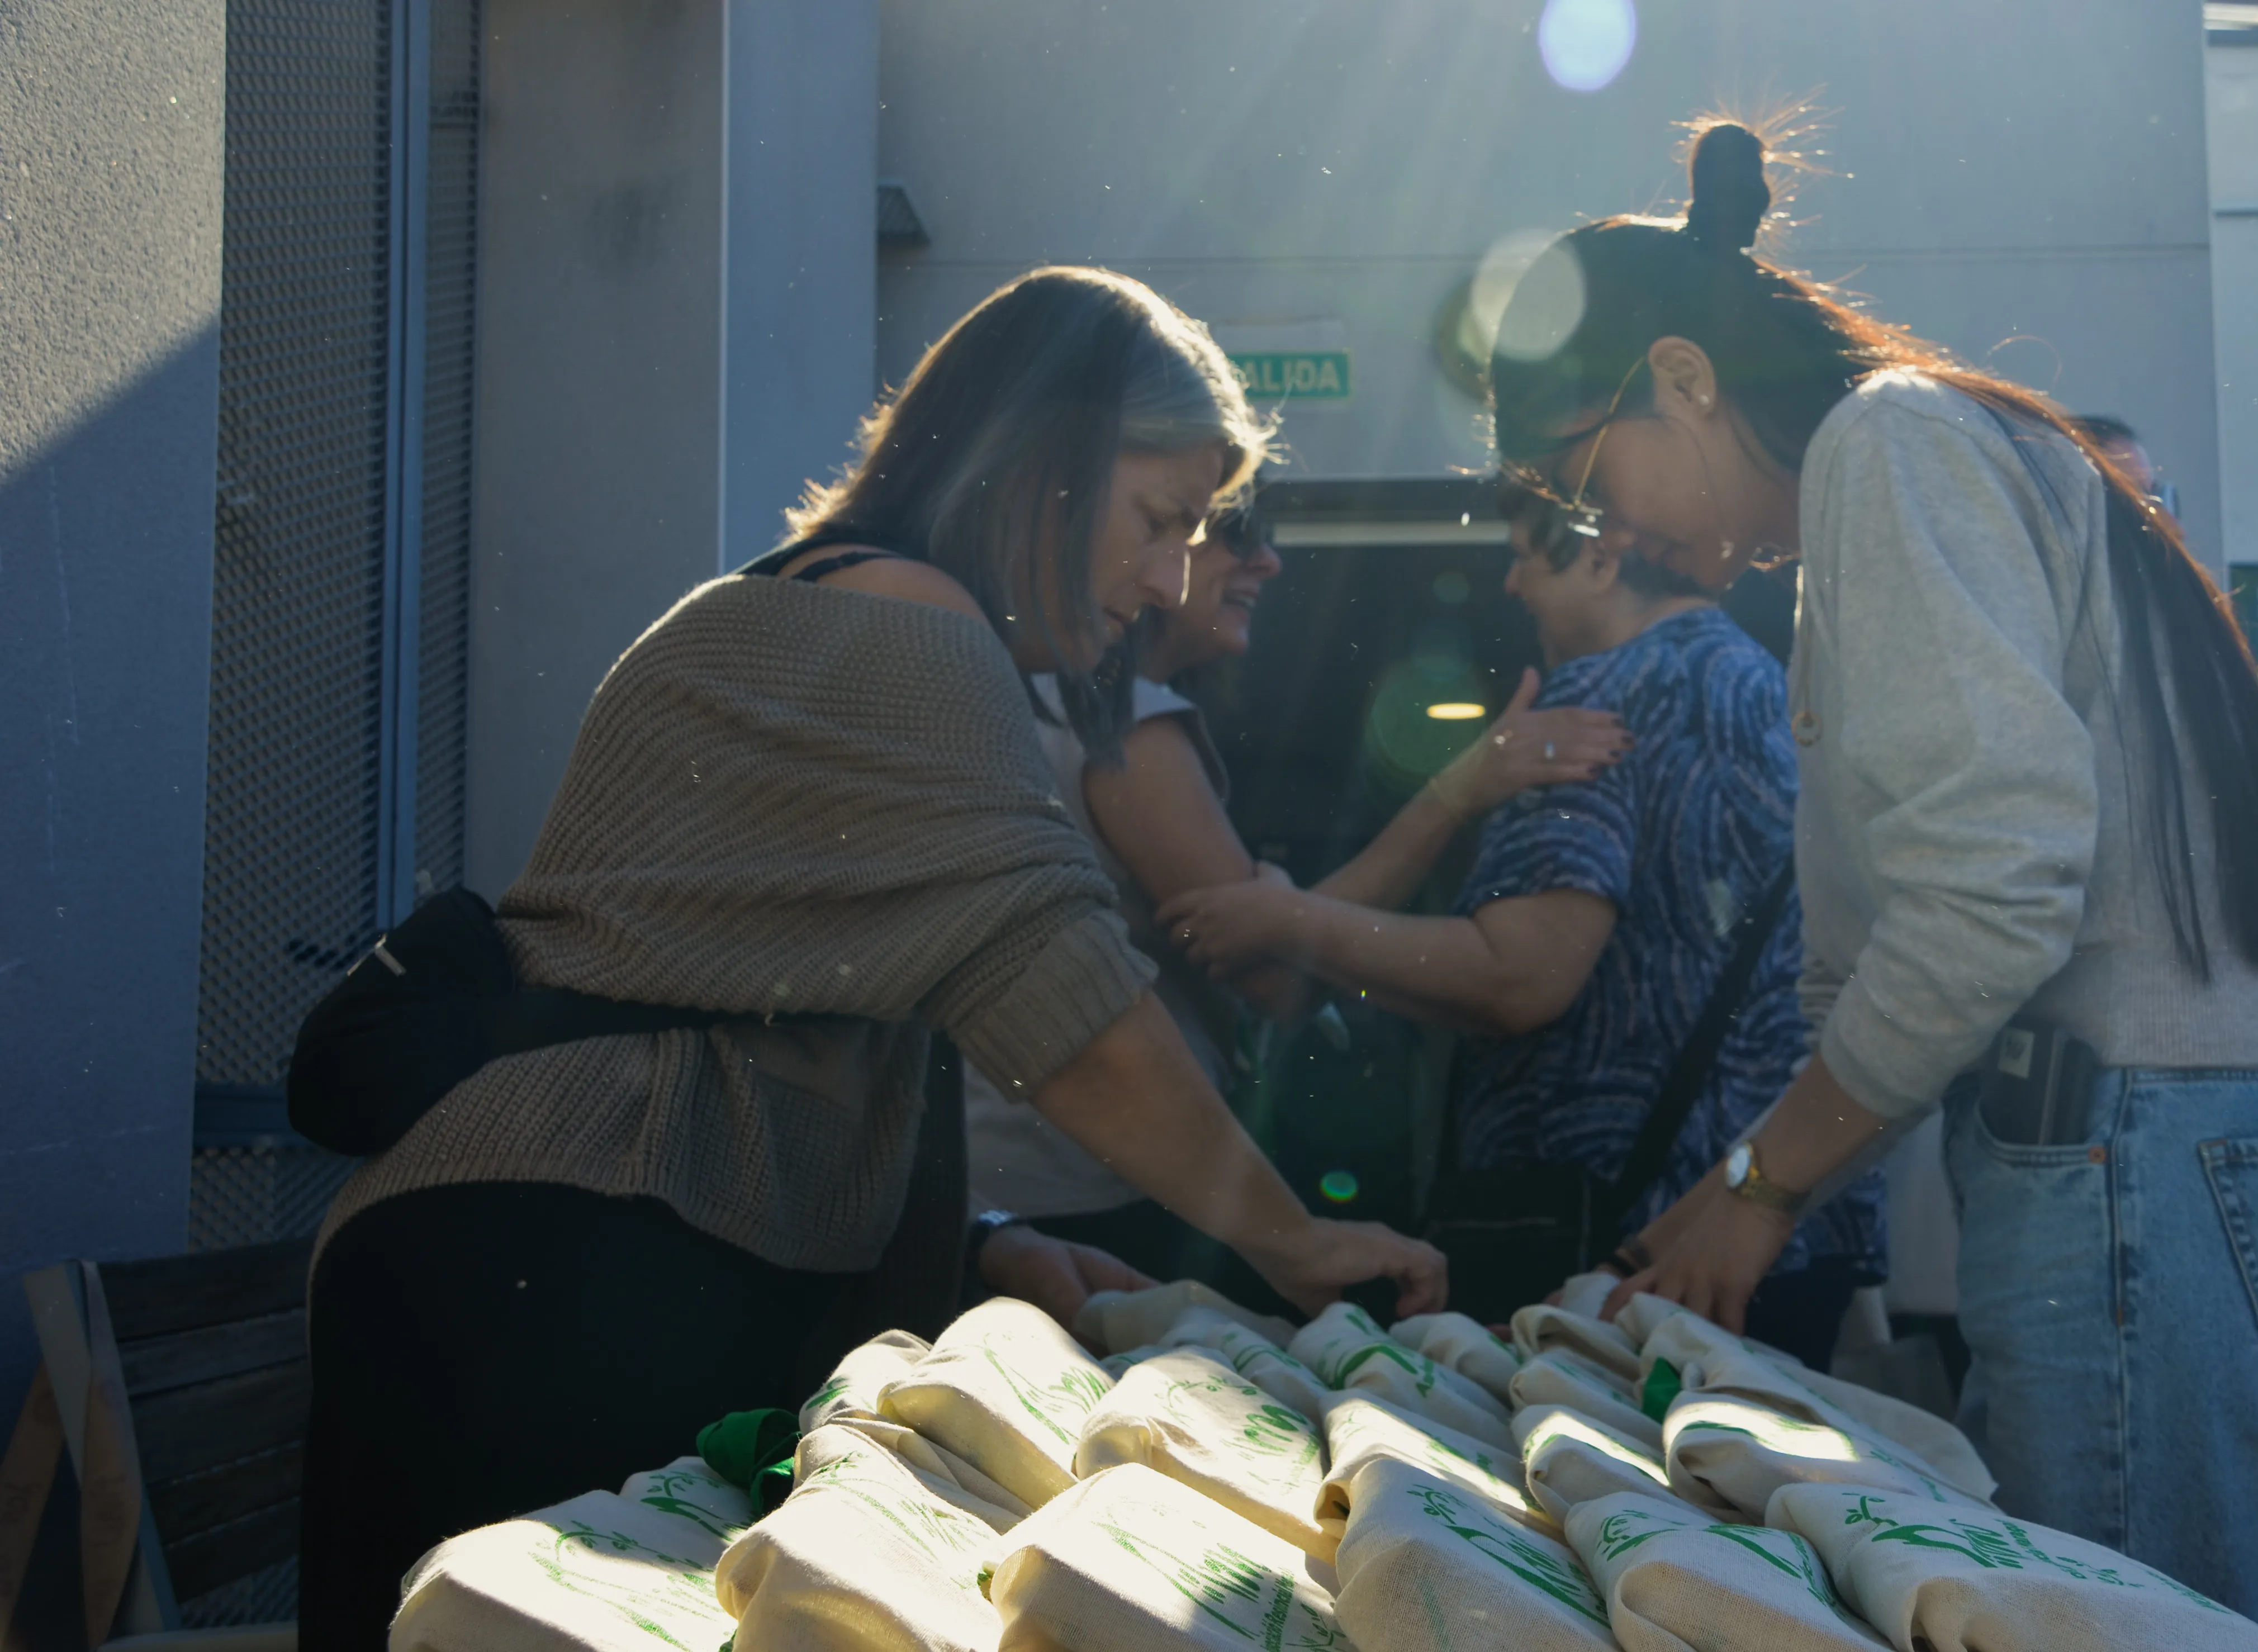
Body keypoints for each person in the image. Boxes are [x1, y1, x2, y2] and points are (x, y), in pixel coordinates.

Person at [300, 267, 1445, 1648]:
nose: (1168, 580)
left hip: (542, 1255)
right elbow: (1066, 1007)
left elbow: (774, 1011)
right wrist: (1299, 1240)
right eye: (1160, 522)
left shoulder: (829, 600)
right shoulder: (909, 624)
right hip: (559, 1279)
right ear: (1044, 464)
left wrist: (984, 1240)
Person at [1498, 123, 2258, 1645]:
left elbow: (1990, 887)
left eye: (1591, 478)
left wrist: (1757, 1192)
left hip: (2134, 1192)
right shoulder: (1928, 459)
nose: (1612, 533)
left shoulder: (1886, 448)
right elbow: (1929, 929)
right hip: (2169, 1186)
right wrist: (1726, 1200)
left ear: (1687, 379)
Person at [1159, 482, 1887, 1366]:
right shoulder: (1767, 686)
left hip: (1617, 1251)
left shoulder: (1593, 704)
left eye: (1521, 557)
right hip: (1776, 1223)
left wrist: (1286, 919)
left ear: (1601, 553)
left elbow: (1521, 978)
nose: (1508, 586)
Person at [975, 505, 1631, 1297]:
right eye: (1238, 534)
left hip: (1018, 1187)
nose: (1270, 565)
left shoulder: (1027, 704)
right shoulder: (1127, 733)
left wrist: (1282, 912)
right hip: (1092, 1194)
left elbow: (1268, 942)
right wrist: (1459, 792)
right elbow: (1277, 981)